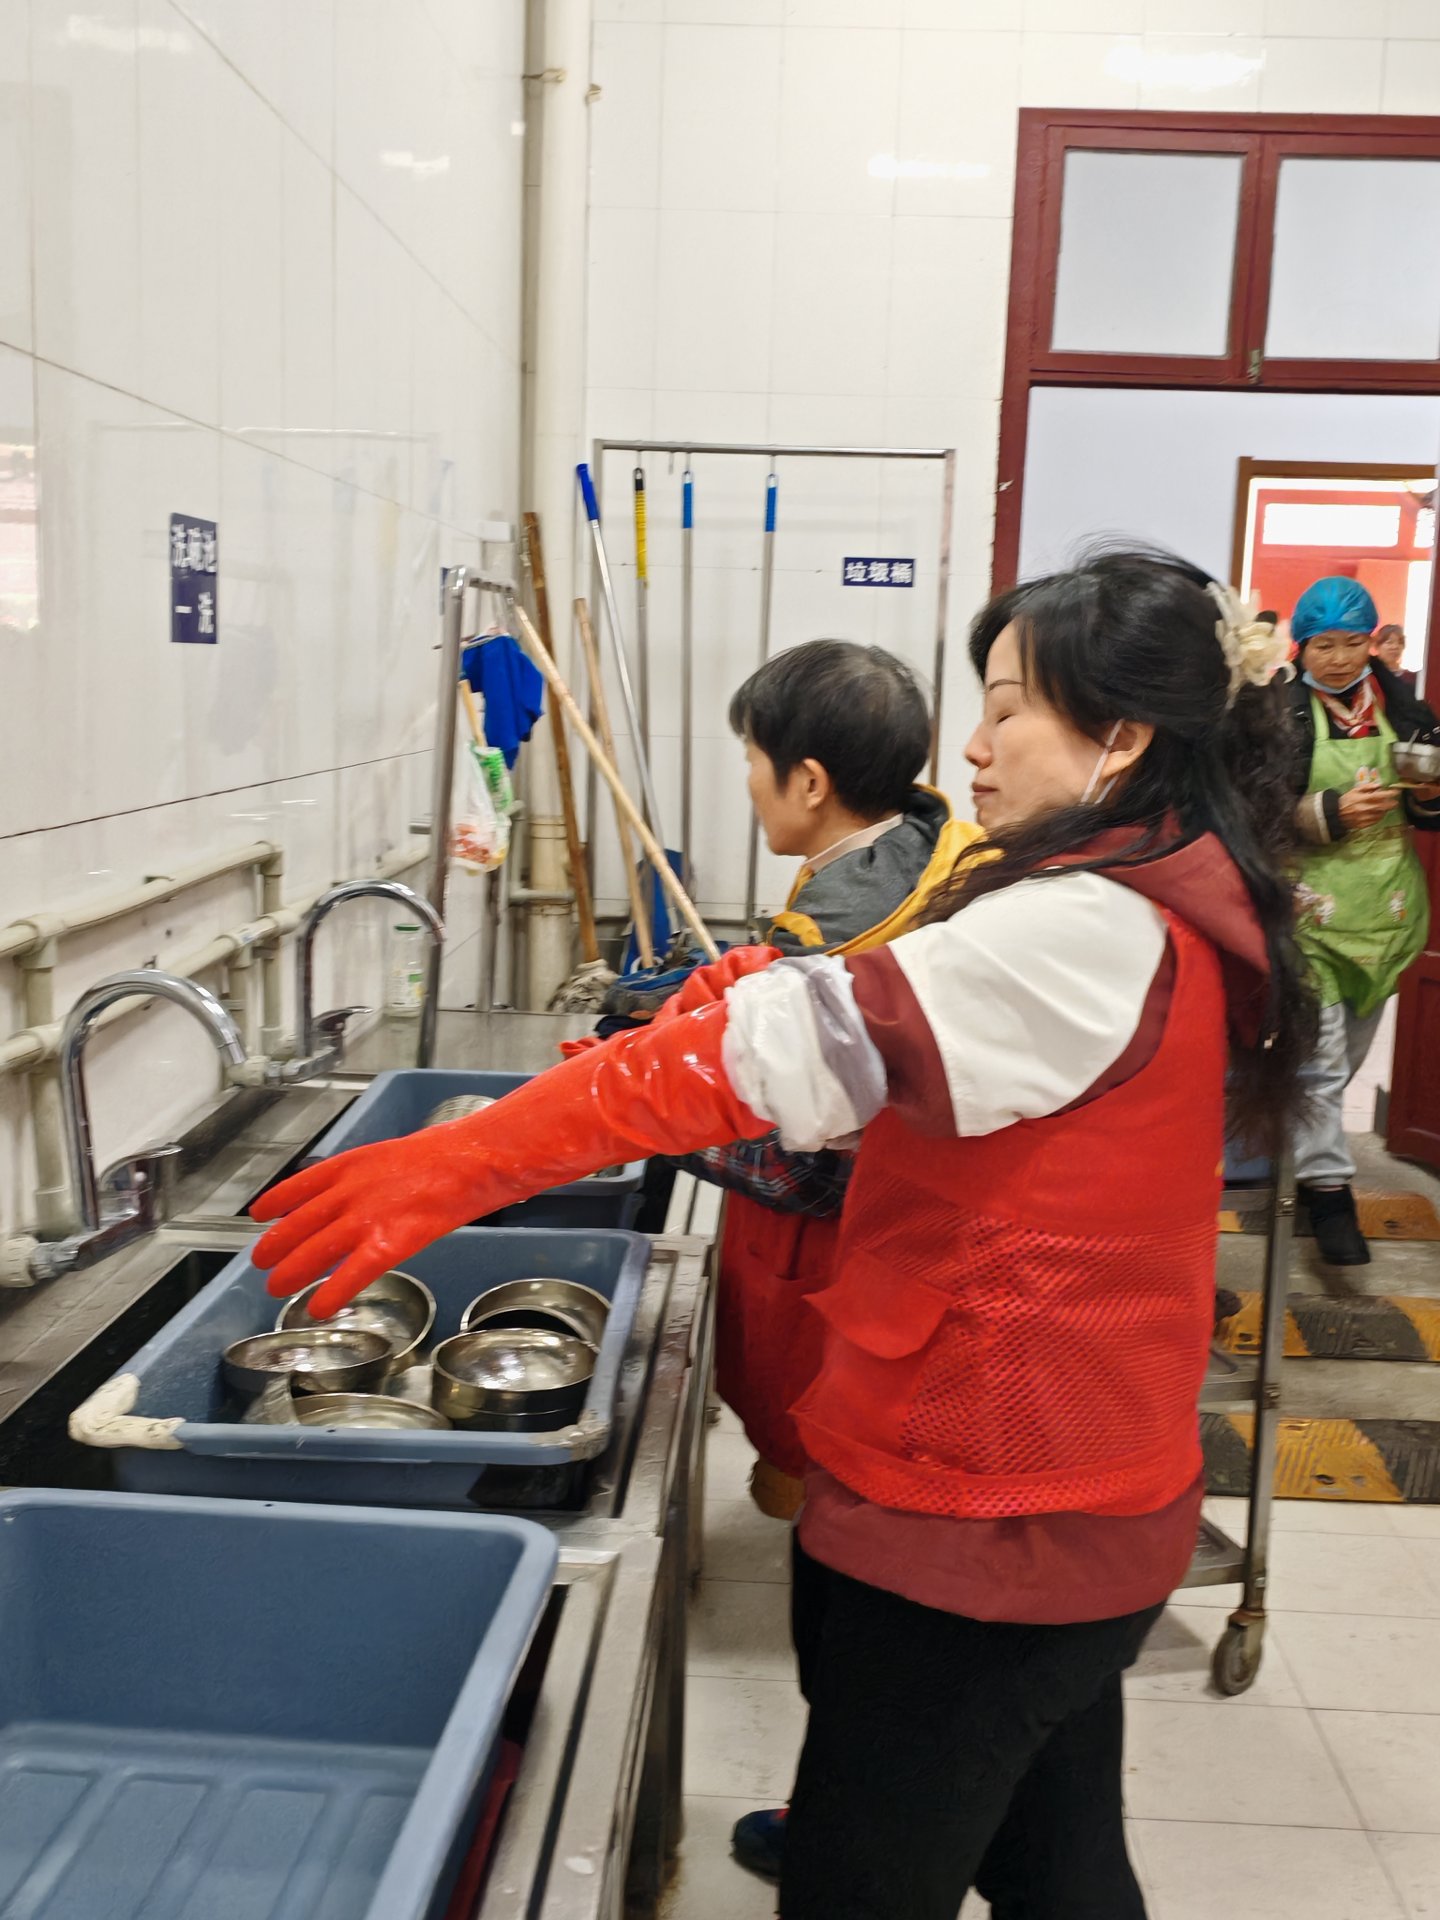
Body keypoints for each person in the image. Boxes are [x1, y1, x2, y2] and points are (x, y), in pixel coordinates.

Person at [252, 548, 1314, 1920]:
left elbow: (766, 1058)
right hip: (1069, 1488)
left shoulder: (1086, 923)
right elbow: (884, 998)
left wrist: (463, 1160)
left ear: (1121, 737)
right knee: (1053, 1857)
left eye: (1006, 710)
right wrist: (738, 985)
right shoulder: (1148, 891)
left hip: (992, 1513)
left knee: (863, 1884)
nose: (973, 748)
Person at [676, 641, 980, 1524]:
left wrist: (666, 1128)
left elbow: (808, 1167)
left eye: (751, 759)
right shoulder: (928, 846)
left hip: (830, 1248)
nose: (747, 781)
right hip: (906, 1231)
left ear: (808, 782)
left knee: (817, 1412)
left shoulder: (840, 939)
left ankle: (828, 1534)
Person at [1287, 577, 1440, 1265]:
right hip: (1311, 912)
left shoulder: (1403, 708)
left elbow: (1428, 812)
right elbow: (1250, 809)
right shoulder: (1278, 715)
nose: (1340, 658)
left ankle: (1302, 1157)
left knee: (1342, 1060)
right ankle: (1329, 1194)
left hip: (1386, 908)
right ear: (1301, 646)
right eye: (1324, 645)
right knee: (1320, 1064)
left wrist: (1428, 793)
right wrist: (1329, 811)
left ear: (1372, 642)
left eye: (1353, 643)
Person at [1371, 622, 1417, 691]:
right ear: (1377, 646)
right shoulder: (1369, 674)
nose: (1395, 647)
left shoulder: (1411, 678)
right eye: (1389, 642)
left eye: (1400, 643)